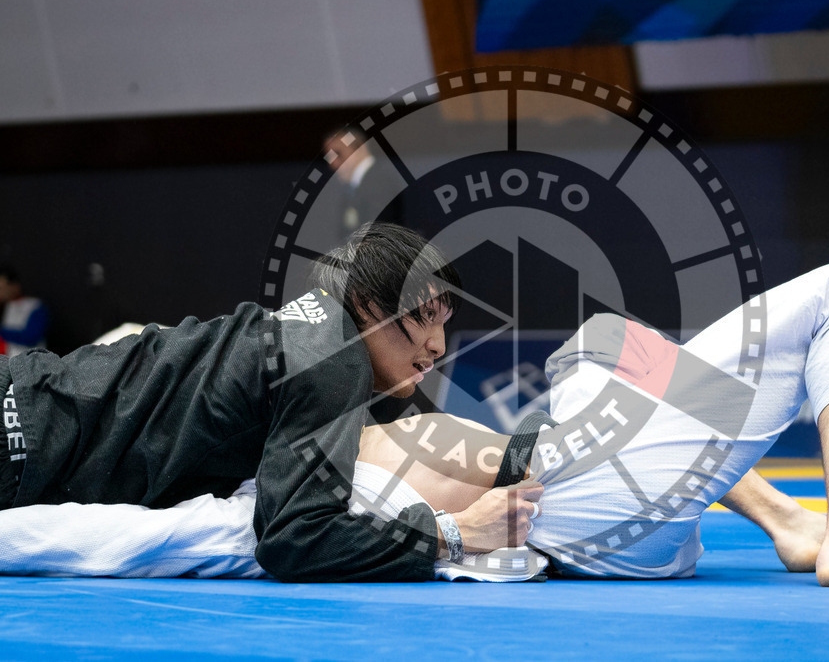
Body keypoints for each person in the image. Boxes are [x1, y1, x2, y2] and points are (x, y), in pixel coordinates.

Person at [0, 263, 829, 588]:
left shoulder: (277, 409)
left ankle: (779, 515)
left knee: (599, 338)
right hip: (569, 498)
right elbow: (69, 536)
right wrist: (452, 534)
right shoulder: (239, 506)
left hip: (611, 499)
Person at [0, 222, 542, 582]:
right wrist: (456, 535)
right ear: (366, 304)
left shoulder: (308, 334)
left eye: (446, 324)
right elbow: (294, 538)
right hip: (20, 441)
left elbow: (426, 428)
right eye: (424, 317)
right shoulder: (332, 360)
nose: (439, 346)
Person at [324, 129, 407, 236]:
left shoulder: (380, 181)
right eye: (329, 158)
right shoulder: (353, 189)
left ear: (359, 149)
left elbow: (377, 235)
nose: (333, 164)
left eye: (338, 154)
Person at [0, 265, 50, 357]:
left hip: (31, 363)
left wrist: (2, 332)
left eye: (2, 287)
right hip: (6, 364)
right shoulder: (6, 307)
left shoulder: (34, 305)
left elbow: (31, 337)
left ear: (14, 286)